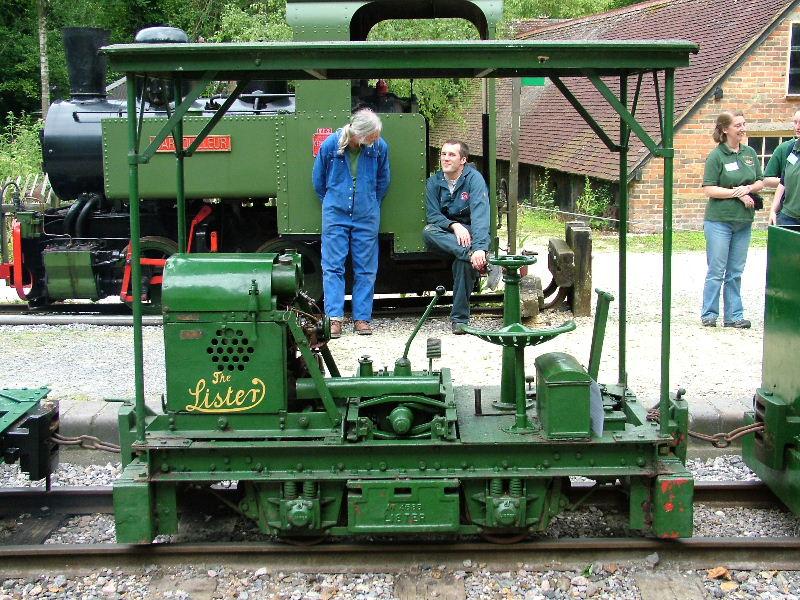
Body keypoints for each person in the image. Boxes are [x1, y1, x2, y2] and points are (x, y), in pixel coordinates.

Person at [312, 109, 390, 338]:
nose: (376, 139)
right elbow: (318, 181)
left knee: (366, 268)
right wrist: (332, 201)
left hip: (367, 214)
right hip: (335, 214)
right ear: (360, 134)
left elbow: (383, 180)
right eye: (373, 135)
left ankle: (362, 319)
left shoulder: (379, 147)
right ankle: (334, 319)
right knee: (333, 266)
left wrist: (371, 202)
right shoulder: (331, 144)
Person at [700, 111, 764, 329]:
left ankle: (734, 316)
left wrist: (748, 188)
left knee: (735, 272)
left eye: (744, 124)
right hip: (719, 221)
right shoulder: (716, 156)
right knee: (716, 270)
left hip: (743, 222)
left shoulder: (750, 153)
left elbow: (760, 182)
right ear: (725, 129)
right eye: (738, 125)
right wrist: (737, 193)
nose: (742, 129)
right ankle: (709, 314)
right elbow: (709, 189)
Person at [423, 140, 491, 334]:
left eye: (451, 155)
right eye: (443, 154)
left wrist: (480, 247)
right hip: (447, 234)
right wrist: (454, 226)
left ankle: (460, 321)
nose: (445, 158)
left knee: (464, 264)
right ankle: (472, 256)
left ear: (463, 160)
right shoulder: (434, 181)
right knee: (428, 231)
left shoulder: (474, 179)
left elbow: (480, 214)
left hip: (471, 234)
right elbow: (433, 215)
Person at [766, 110, 800, 226]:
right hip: (788, 217)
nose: (798, 127)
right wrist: (773, 211)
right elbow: (783, 182)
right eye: (795, 122)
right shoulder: (792, 148)